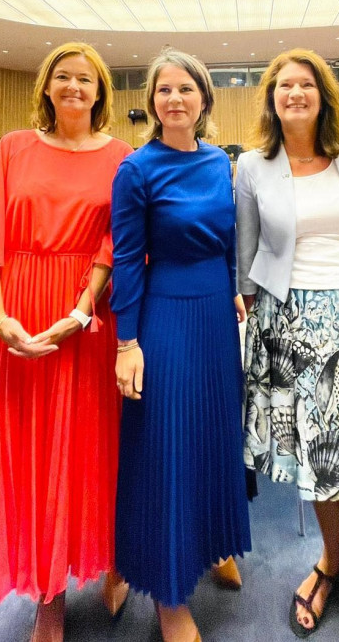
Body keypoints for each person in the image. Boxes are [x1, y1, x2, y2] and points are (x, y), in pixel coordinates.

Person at [0, 42, 133, 642]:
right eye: (63, 77)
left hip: (85, 319)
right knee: (27, 456)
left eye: (86, 79)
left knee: (90, 453)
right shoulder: (10, 150)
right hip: (12, 319)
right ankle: (47, 593)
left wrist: (81, 310)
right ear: (47, 87)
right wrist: (0, 320)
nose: (75, 86)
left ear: (101, 91)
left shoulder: (123, 156)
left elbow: (117, 241)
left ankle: (108, 561)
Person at [237, 49, 339, 641]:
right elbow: (245, 250)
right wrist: (241, 303)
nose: (295, 93)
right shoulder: (252, 165)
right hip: (286, 317)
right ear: (271, 99)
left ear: (323, 94)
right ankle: (332, 558)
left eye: (306, 84)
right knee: (319, 452)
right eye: (284, 86)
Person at [111, 47, 251, 642]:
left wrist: (233, 291)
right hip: (164, 315)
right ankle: (169, 596)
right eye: (163, 90)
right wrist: (127, 341)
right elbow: (125, 258)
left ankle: (212, 541)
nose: (174, 99)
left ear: (203, 99)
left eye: (185, 90)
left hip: (217, 317)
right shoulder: (137, 169)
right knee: (166, 445)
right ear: (152, 102)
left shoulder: (221, 161)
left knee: (214, 434)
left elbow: (227, 241)